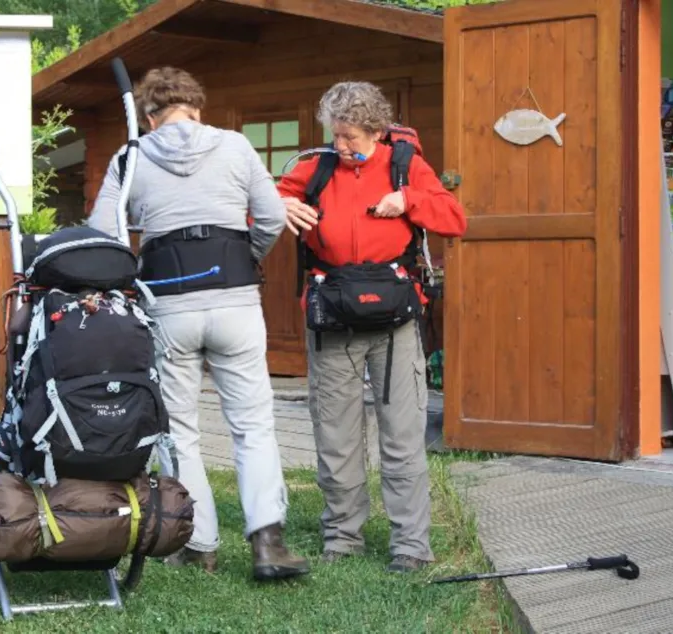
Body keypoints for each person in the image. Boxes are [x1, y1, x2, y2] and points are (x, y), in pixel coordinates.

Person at [88, 66, 309, 582]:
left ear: (148, 116)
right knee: (253, 424)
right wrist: (243, 258)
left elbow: (104, 234)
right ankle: (268, 543)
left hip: (169, 305)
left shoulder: (132, 155)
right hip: (234, 300)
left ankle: (200, 544)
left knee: (182, 428)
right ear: (197, 108)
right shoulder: (234, 146)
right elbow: (273, 217)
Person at [276, 81, 467, 573]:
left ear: (378, 132)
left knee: (402, 436)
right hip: (332, 318)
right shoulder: (313, 167)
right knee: (336, 435)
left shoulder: (406, 166)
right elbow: (260, 199)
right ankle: (342, 538)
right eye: (336, 135)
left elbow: (454, 218)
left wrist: (409, 202)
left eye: (351, 137)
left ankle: (410, 545)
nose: (340, 146)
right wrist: (278, 205)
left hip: (395, 323)